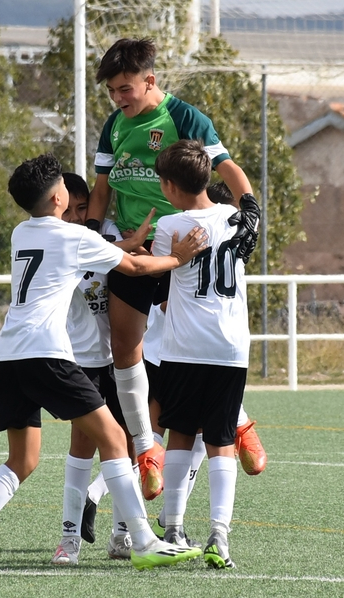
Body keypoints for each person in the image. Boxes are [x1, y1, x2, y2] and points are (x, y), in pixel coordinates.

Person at [0, 153, 206, 575]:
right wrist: (178, 258)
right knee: (116, 438)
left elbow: (80, 255)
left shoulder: (21, 233)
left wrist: (125, 245)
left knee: (22, 461)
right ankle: (144, 542)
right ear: (60, 195)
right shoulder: (70, 236)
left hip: (9, 357)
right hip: (47, 355)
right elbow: (134, 268)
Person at [84, 38, 256, 501]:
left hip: (184, 249)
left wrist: (252, 211)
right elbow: (101, 190)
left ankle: (238, 422)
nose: (120, 99)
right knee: (125, 345)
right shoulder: (114, 127)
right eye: (113, 92)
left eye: (126, 89)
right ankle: (145, 447)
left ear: (150, 81)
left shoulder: (184, 117)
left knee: (189, 351)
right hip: (132, 249)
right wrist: (97, 236)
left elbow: (227, 168)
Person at [151, 139, 253, 569]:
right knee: (222, 442)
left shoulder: (169, 227)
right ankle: (219, 536)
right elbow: (248, 197)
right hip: (230, 348)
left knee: (179, 435)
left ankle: (173, 529)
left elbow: (158, 292)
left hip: (184, 348)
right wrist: (220, 152)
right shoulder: (238, 218)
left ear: (171, 186)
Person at [52, 172, 147, 564]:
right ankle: (68, 538)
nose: (75, 216)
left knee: (129, 445)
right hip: (83, 361)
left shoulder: (105, 232)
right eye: (68, 209)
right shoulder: (56, 242)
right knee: (83, 446)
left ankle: (121, 535)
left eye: (82, 207)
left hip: (122, 361)